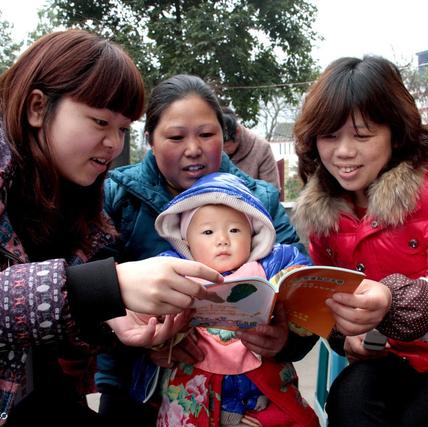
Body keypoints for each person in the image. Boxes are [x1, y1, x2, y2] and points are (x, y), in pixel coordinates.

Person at [0, 30, 222, 426]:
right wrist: (98, 288)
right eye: (100, 122)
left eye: (123, 128)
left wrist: (116, 317)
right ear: (38, 108)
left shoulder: (74, 189)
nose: (113, 143)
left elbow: (67, 315)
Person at [96, 74, 312, 424]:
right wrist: (146, 345)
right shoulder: (116, 197)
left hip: (246, 387)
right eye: (176, 136)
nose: (193, 148)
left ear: (225, 137)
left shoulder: (259, 200)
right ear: (150, 139)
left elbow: (302, 289)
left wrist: (284, 341)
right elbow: (86, 293)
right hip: (134, 386)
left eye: (207, 134)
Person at [292, 55, 428, 426]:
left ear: (395, 133)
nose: (344, 152)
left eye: (362, 136)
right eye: (329, 136)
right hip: (379, 359)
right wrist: (345, 336)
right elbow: (329, 302)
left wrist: (390, 301)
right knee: (348, 399)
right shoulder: (323, 208)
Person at [143, 171, 318, 426]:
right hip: (195, 378)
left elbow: (300, 272)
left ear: (252, 234)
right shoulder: (173, 271)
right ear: (186, 241)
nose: (223, 240)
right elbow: (146, 309)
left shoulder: (270, 266)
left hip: (262, 377)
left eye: (235, 229)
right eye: (207, 232)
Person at [222, 107, 281, 188]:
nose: (221, 151)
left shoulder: (262, 148)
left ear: (237, 132)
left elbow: (271, 192)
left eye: (225, 146)